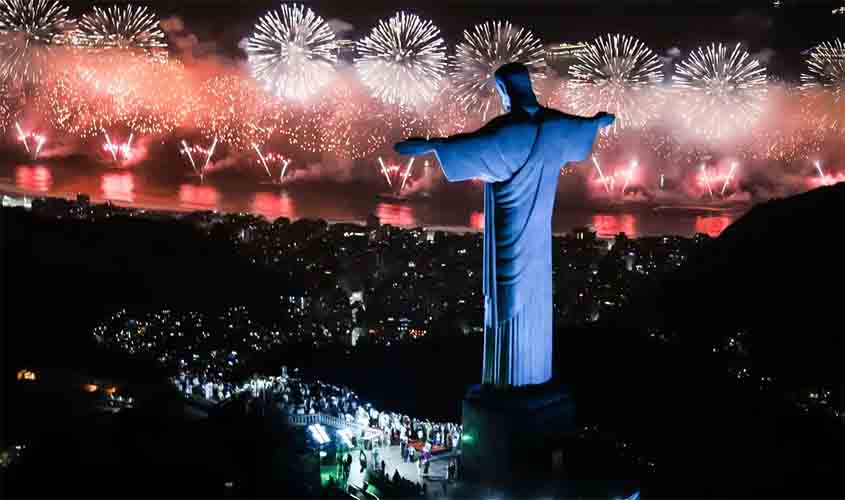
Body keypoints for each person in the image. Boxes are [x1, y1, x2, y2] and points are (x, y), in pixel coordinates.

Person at [395, 62, 614, 388]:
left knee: (507, 302)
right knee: (535, 299)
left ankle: (511, 385)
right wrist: (598, 122)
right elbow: (583, 128)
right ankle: (534, 377)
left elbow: (469, 148)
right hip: (540, 240)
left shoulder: (510, 132)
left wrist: (432, 145)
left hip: (510, 234)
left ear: (504, 91)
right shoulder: (555, 125)